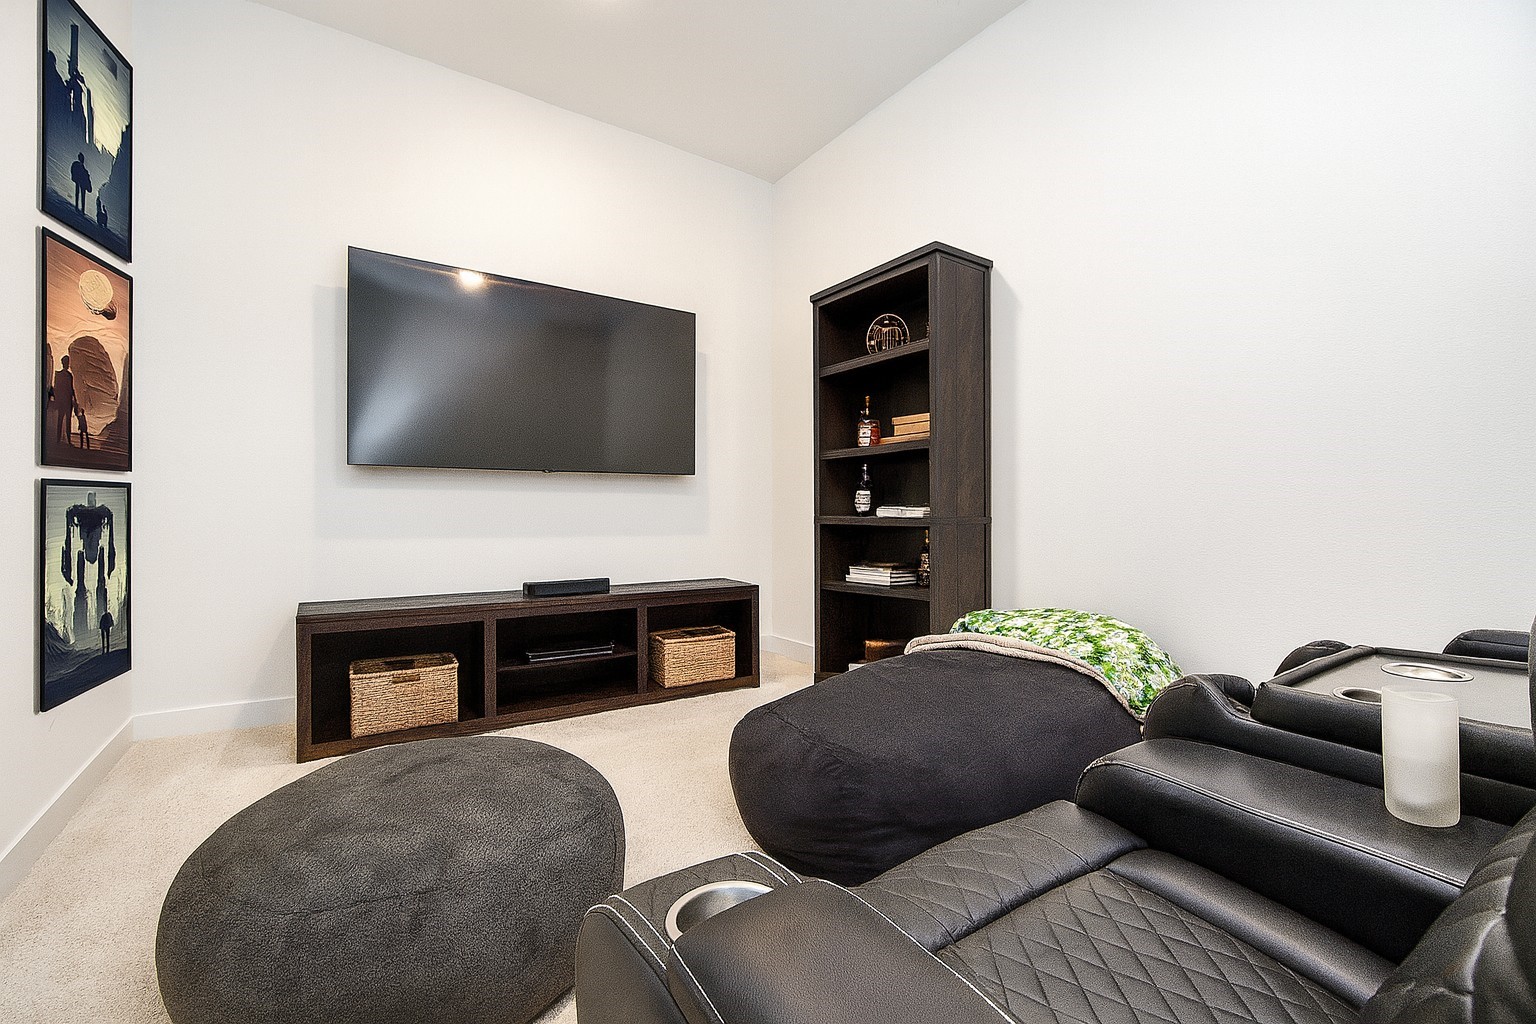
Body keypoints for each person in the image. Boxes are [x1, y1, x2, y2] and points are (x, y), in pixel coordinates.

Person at [50, 355, 76, 445]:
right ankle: (65, 440)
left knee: (61, 420)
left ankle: (60, 440)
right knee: (65, 420)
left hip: (64, 400)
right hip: (66, 401)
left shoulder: (60, 375)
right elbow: (71, 389)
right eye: (67, 363)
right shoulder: (69, 375)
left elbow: (57, 388)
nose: (67, 364)